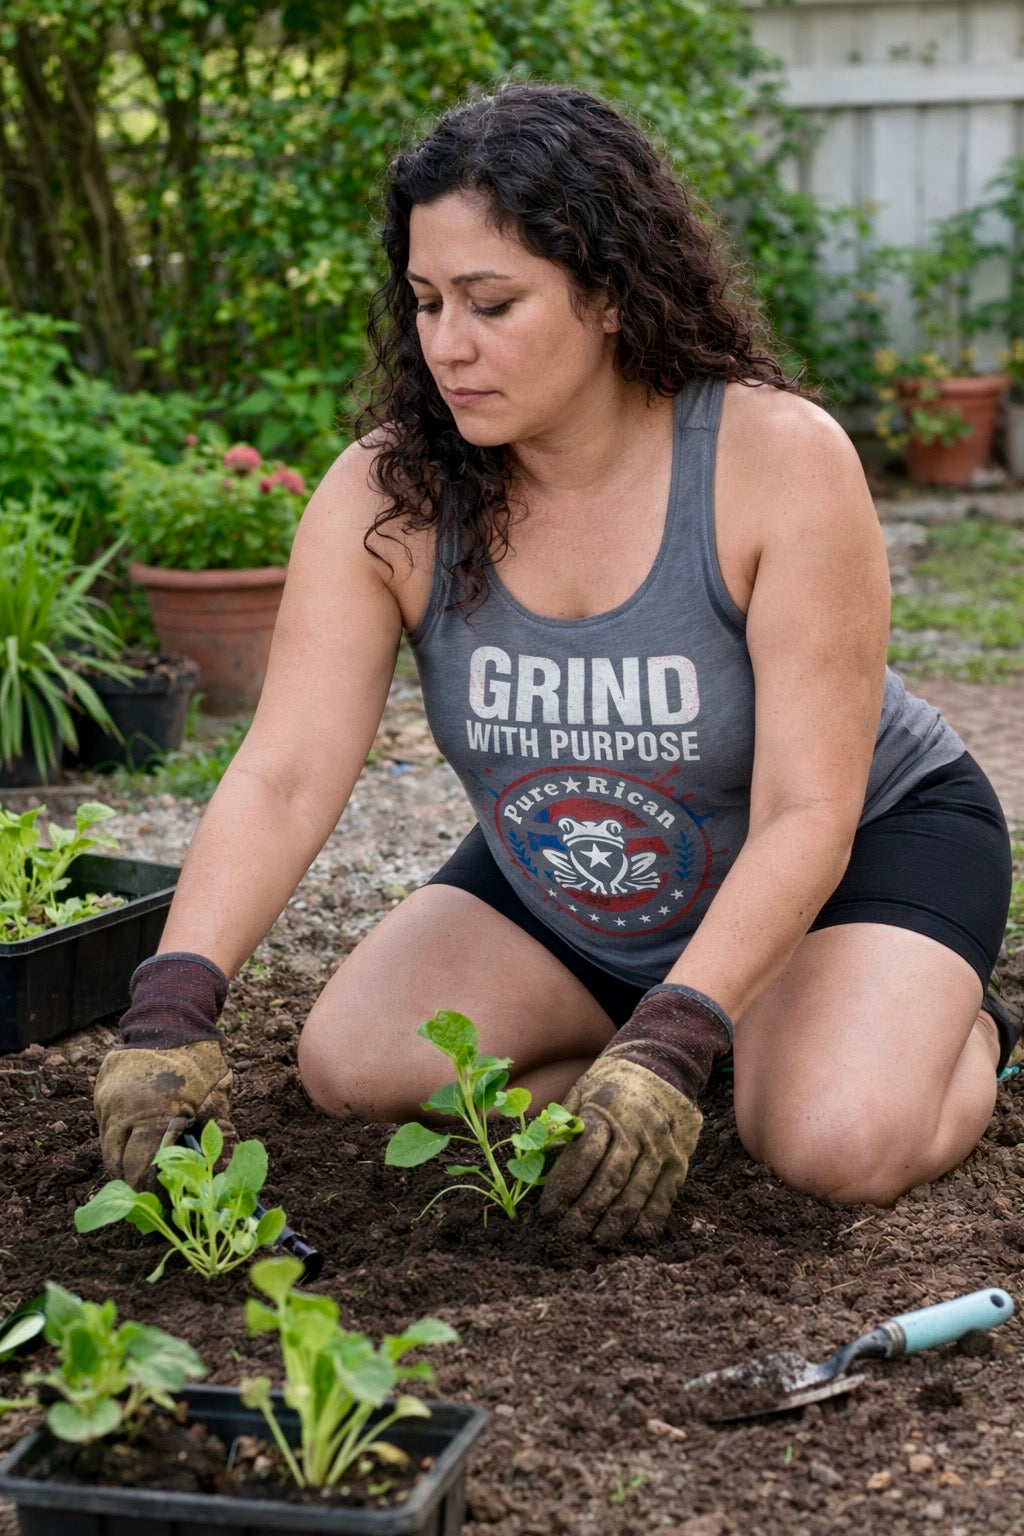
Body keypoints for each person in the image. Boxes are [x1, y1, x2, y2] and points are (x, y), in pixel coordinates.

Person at [94, 82, 1020, 1245]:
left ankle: (941, 1028)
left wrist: (674, 1034)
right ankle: (703, 1037)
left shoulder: (774, 461)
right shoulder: (390, 498)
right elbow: (282, 773)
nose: (448, 345)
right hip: (584, 872)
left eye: (492, 303)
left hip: (852, 851)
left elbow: (805, 811)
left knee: (830, 1142)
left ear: (610, 293)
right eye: (426, 302)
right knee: (357, 1067)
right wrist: (173, 1001)